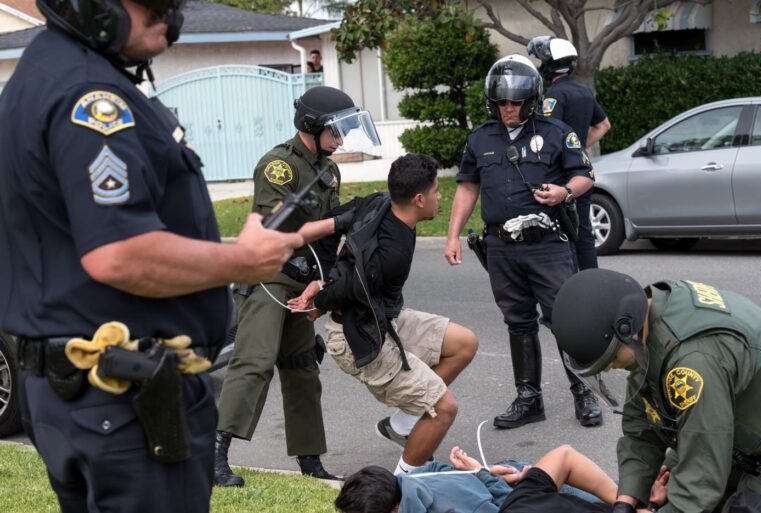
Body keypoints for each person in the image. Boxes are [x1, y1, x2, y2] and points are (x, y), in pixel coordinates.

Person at [0, 0, 304, 510]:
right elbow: (118, 254)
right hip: (123, 399)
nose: (169, 13)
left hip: (80, 396)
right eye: (153, 1)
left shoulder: (41, 75)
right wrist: (242, 262)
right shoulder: (90, 97)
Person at [214, 85, 380, 486]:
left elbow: (322, 241)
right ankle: (213, 455)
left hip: (304, 279)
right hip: (270, 274)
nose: (340, 140)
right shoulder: (279, 167)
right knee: (253, 362)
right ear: (311, 126)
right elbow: (275, 229)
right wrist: (334, 221)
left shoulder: (329, 169)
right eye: (334, 131)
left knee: (303, 367)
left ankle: (310, 460)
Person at [288, 153, 479, 475]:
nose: (439, 195)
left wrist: (316, 276)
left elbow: (337, 221)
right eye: (435, 190)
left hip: (382, 317)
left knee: (464, 343)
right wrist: (319, 294)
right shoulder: (391, 254)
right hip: (358, 336)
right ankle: (404, 483)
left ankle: (402, 424)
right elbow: (348, 289)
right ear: (419, 199)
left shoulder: (379, 202)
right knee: (444, 408)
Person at [443, 54, 602, 430]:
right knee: (517, 322)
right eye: (502, 102)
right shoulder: (480, 136)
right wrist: (452, 235)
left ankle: (584, 394)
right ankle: (529, 398)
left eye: (516, 102)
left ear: (531, 100)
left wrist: (564, 191)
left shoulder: (557, 132)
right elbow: (468, 187)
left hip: (547, 244)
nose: (509, 109)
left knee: (564, 320)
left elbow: (585, 177)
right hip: (501, 247)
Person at [552, 269, 761, 513]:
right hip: (733, 436)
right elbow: (640, 431)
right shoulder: (650, 315)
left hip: (753, 452)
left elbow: (699, 481)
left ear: (626, 329)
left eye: (610, 360)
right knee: (664, 484)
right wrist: (626, 500)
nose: (611, 369)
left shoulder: (692, 362)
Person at [335, 444, 669, 513]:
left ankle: (639, 501)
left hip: (507, 495)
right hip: (508, 482)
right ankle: (637, 499)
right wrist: (478, 470)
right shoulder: (406, 480)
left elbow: (501, 505)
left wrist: (485, 475)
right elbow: (435, 470)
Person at [527, 36, 611, 272]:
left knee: (561, 230)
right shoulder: (584, 92)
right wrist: (578, 149)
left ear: (550, 64)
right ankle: (591, 282)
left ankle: (568, 286)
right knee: (583, 230)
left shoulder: (554, 95)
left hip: (559, 175)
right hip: (581, 173)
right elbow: (604, 125)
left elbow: (546, 136)